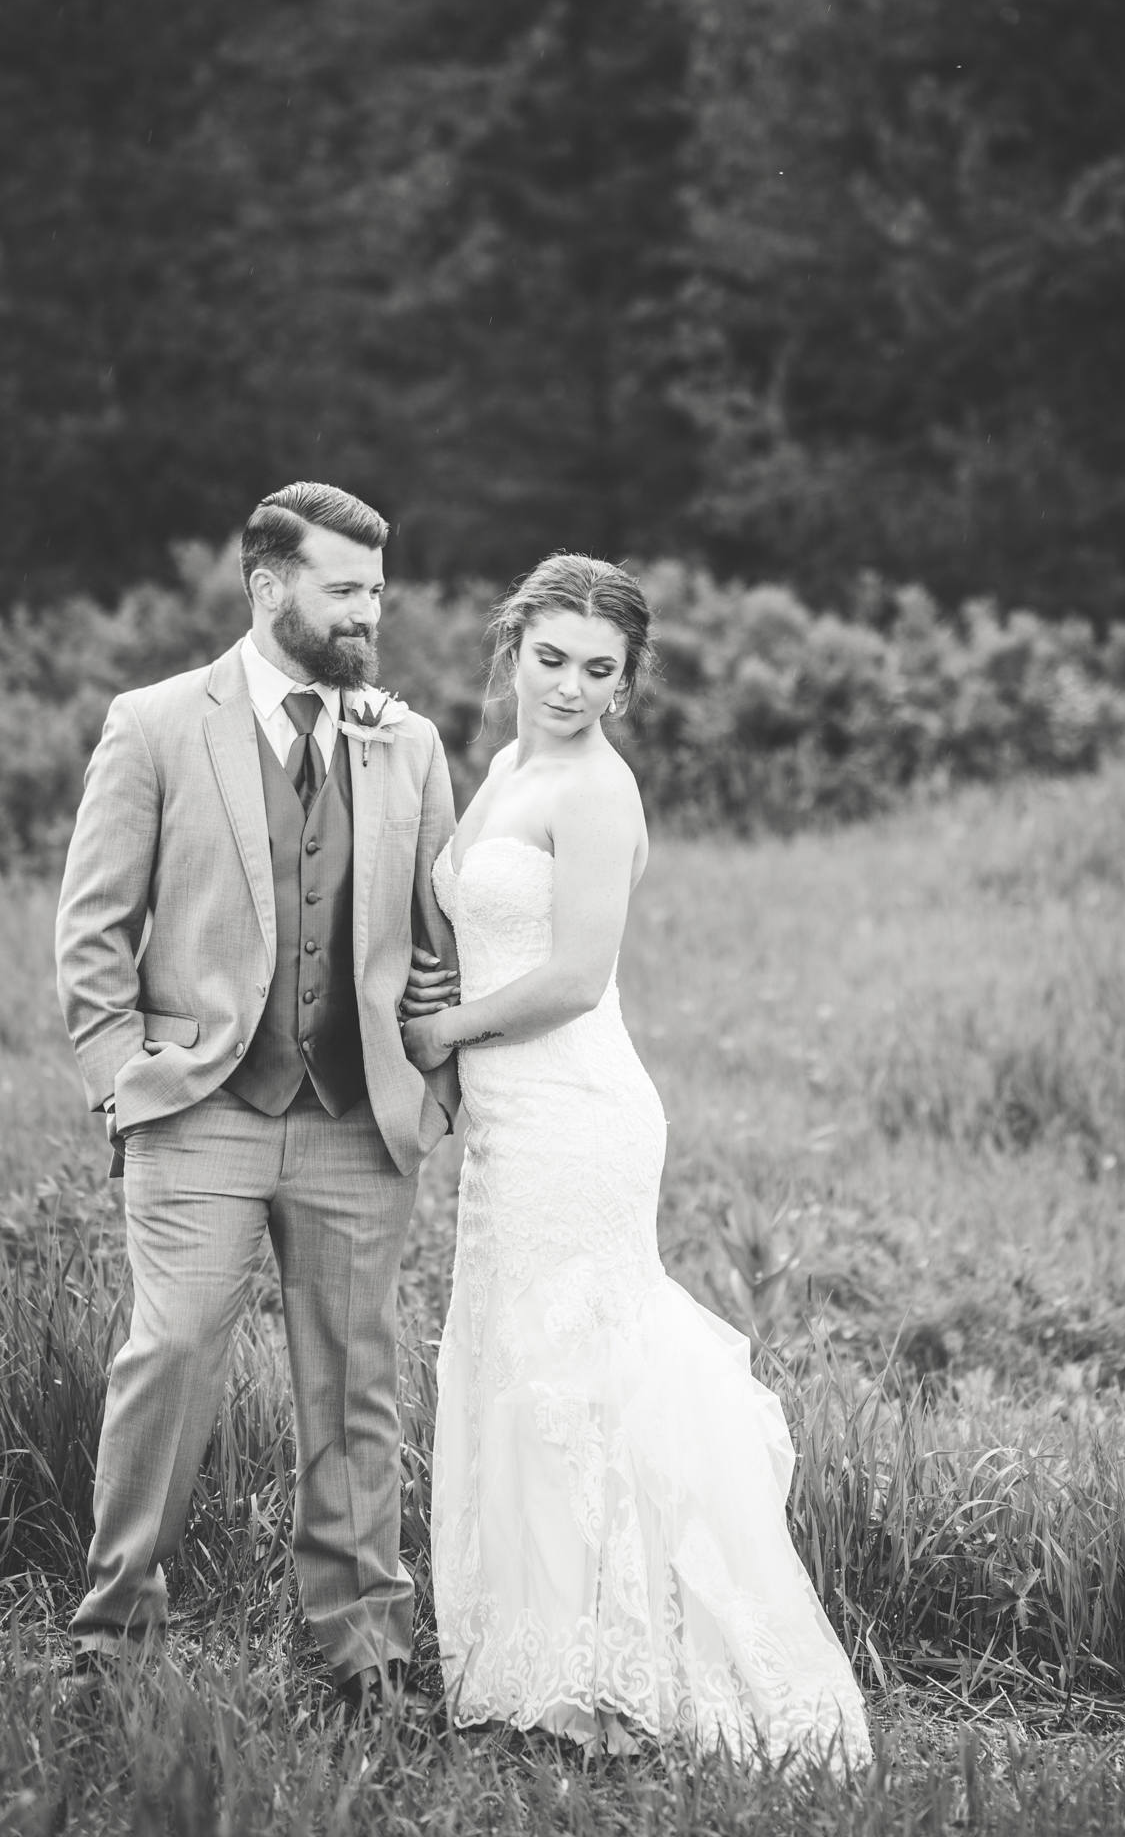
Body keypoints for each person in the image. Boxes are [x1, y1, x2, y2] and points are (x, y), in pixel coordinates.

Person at [400, 554, 873, 1764]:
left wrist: (442, 1033)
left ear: (627, 681)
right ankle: (539, 1653)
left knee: (578, 1373)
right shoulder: (504, 767)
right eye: (550, 657)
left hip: (577, 1111)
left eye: (598, 669)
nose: (569, 686)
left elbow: (572, 978)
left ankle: (619, 1671)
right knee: (515, 1360)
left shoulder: (598, 789)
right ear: (513, 649)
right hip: (508, 1122)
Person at [55, 481, 460, 1710]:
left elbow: (440, 938)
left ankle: (364, 1642)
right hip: (200, 1105)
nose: (367, 612)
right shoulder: (156, 723)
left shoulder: (406, 741)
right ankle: (116, 1630)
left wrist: (431, 1079)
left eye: (376, 590)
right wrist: (123, 1088)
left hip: (357, 1117)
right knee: (173, 1349)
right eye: (343, 588)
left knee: (355, 1375)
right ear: (269, 585)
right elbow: (93, 931)